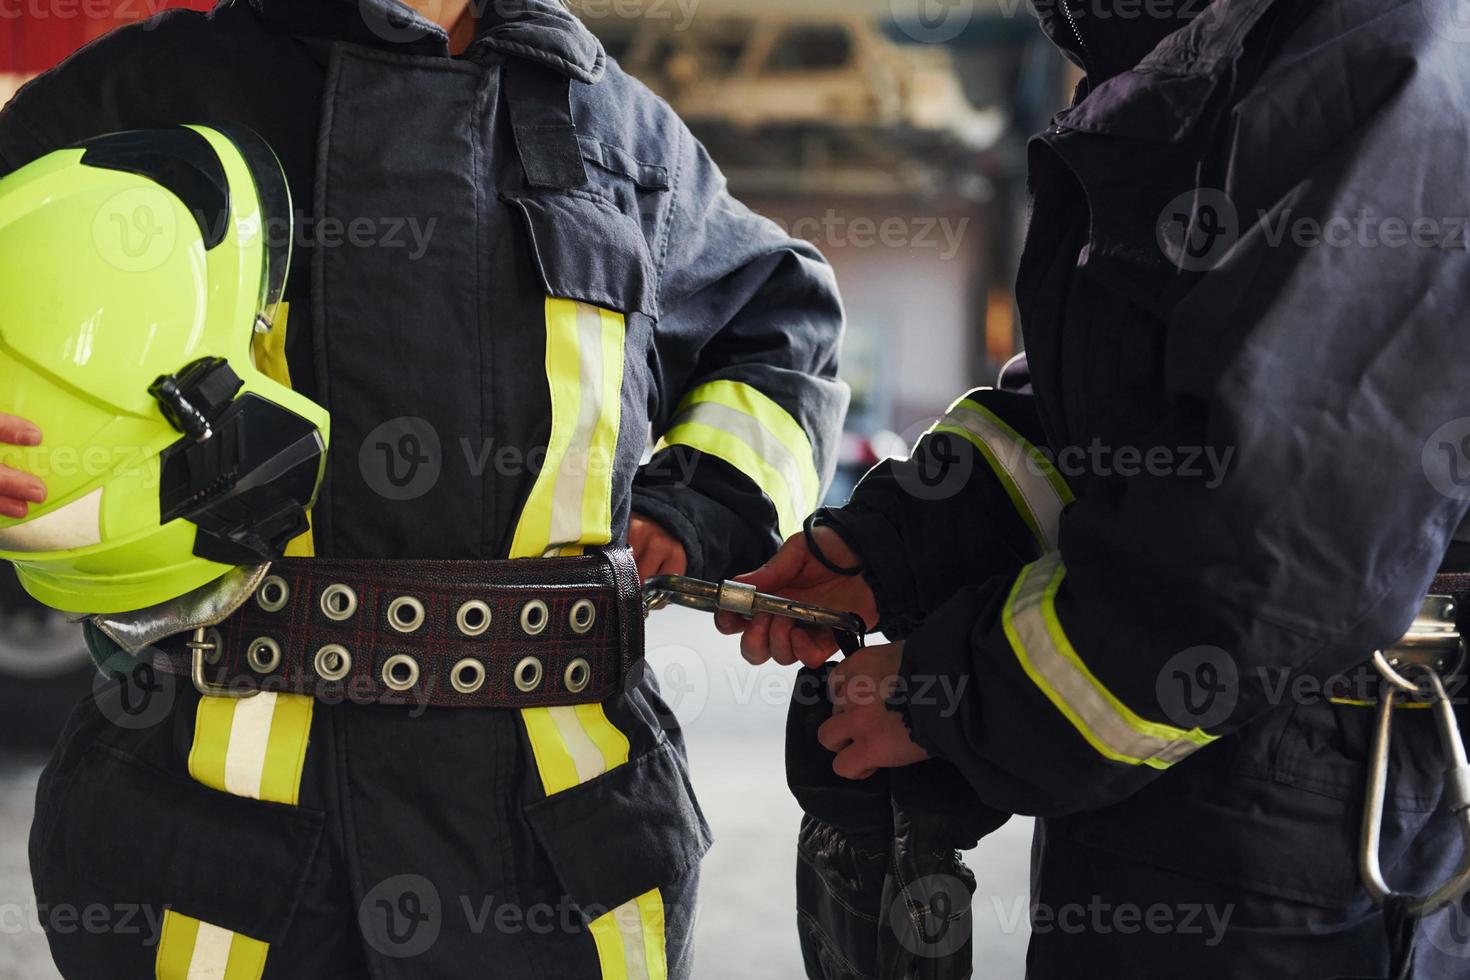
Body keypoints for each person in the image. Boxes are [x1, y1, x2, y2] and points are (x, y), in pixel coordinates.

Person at [0, 1, 846, 976]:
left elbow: (785, 330)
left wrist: (698, 498)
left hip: (557, 863)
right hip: (211, 850)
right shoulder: (151, 89)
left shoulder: (622, 135)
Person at [721, 0, 1470, 976]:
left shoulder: (1376, 49)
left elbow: (1268, 544)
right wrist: (893, 547)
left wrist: (949, 698)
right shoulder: (1175, 68)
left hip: (1306, 829)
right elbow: (1107, 431)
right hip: (1178, 808)